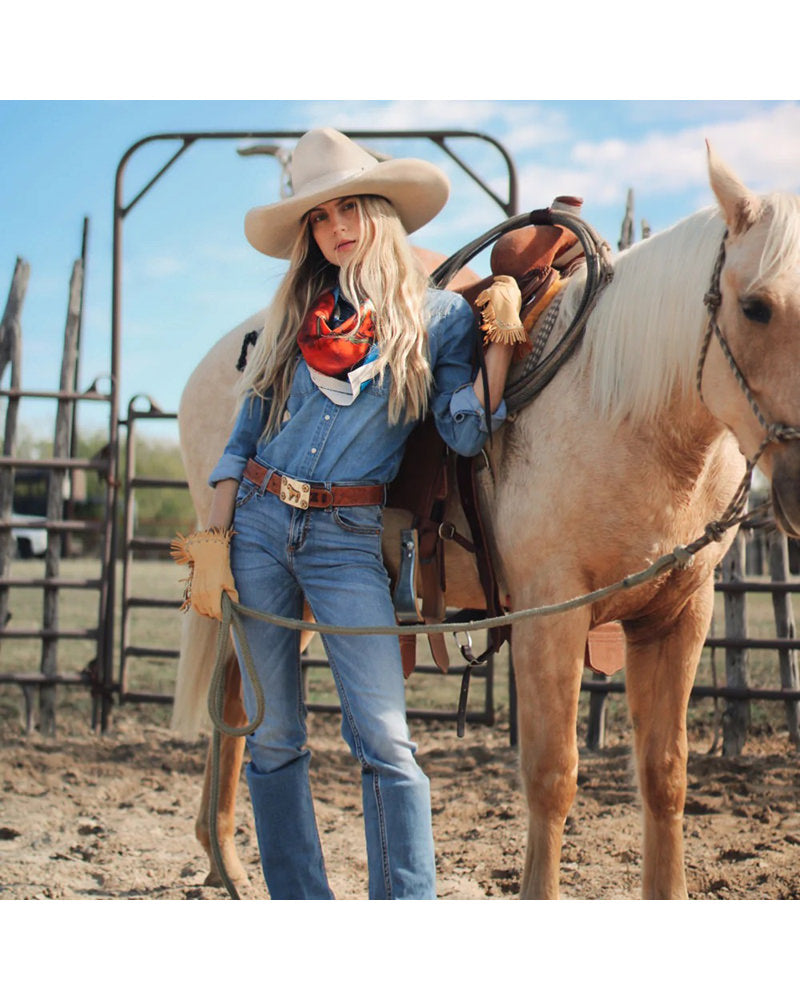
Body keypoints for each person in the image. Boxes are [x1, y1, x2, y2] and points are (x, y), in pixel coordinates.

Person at [174, 127, 517, 900]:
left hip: (346, 539)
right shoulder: (297, 310)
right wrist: (214, 543)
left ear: (380, 213)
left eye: (350, 210)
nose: (337, 229)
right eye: (321, 219)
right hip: (260, 526)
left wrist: (499, 341)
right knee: (274, 735)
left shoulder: (438, 321)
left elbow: (464, 427)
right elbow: (244, 435)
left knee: (385, 738)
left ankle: (405, 906)